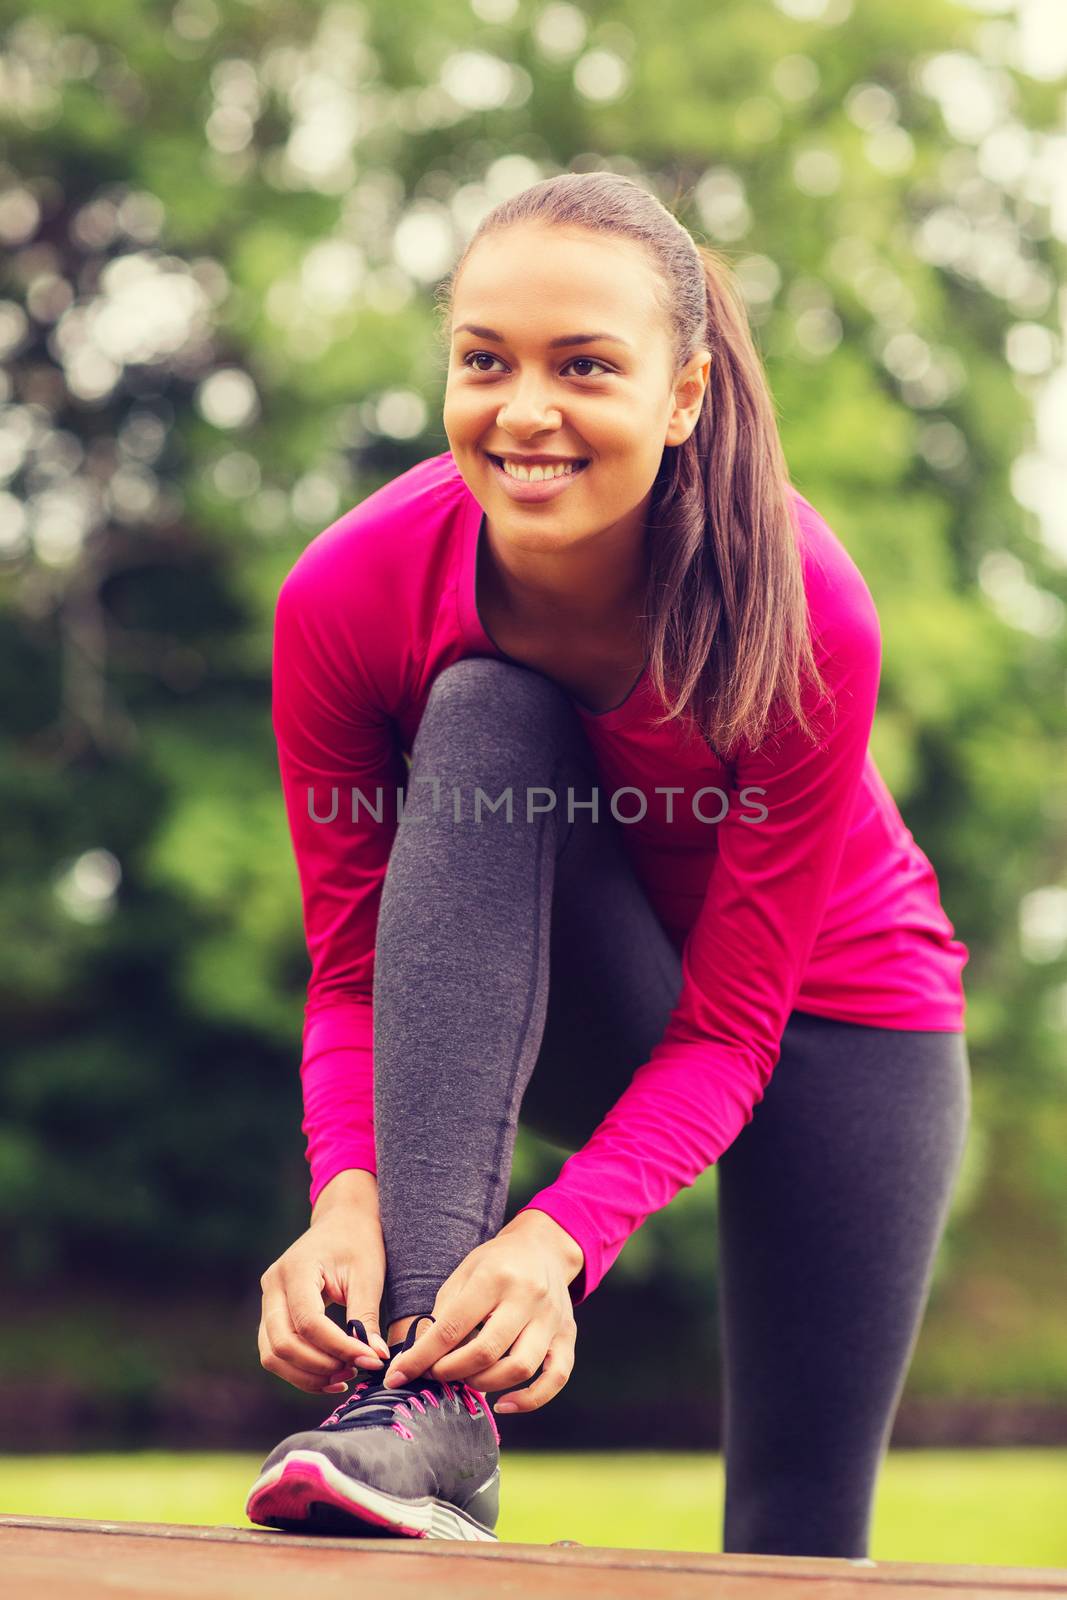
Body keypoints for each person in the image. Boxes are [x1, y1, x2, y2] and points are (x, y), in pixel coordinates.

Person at [244, 171, 971, 1555]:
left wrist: (557, 1245)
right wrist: (349, 1188)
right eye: (484, 361)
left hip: (846, 1023)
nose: (525, 411)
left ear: (684, 395)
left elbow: (732, 1033)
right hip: (587, 981)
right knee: (488, 707)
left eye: (586, 366)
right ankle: (424, 1403)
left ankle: (452, 1371)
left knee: (799, 1533)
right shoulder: (349, 597)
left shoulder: (807, 614)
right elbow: (353, 973)